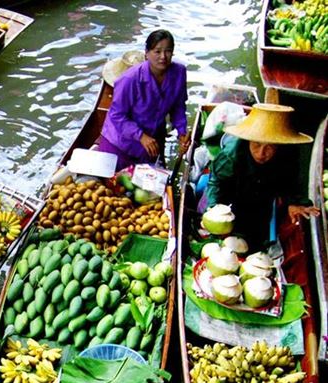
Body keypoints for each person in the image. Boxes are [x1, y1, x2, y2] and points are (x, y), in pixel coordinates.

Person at [203, 103, 316, 247]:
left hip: (263, 196)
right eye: (256, 145)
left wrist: (293, 202)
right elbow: (217, 183)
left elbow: (289, 181)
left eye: (270, 147)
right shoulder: (231, 156)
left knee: (256, 234)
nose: (262, 153)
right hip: (234, 192)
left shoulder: (288, 155)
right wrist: (214, 210)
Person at [99, 30, 190, 170]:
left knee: (152, 185)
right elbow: (117, 115)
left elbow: (178, 106)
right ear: (147, 53)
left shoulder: (179, 72)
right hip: (121, 144)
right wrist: (141, 136)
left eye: (168, 51)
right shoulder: (129, 79)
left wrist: (182, 131)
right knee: (117, 187)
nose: (163, 57)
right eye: (157, 51)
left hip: (151, 143)